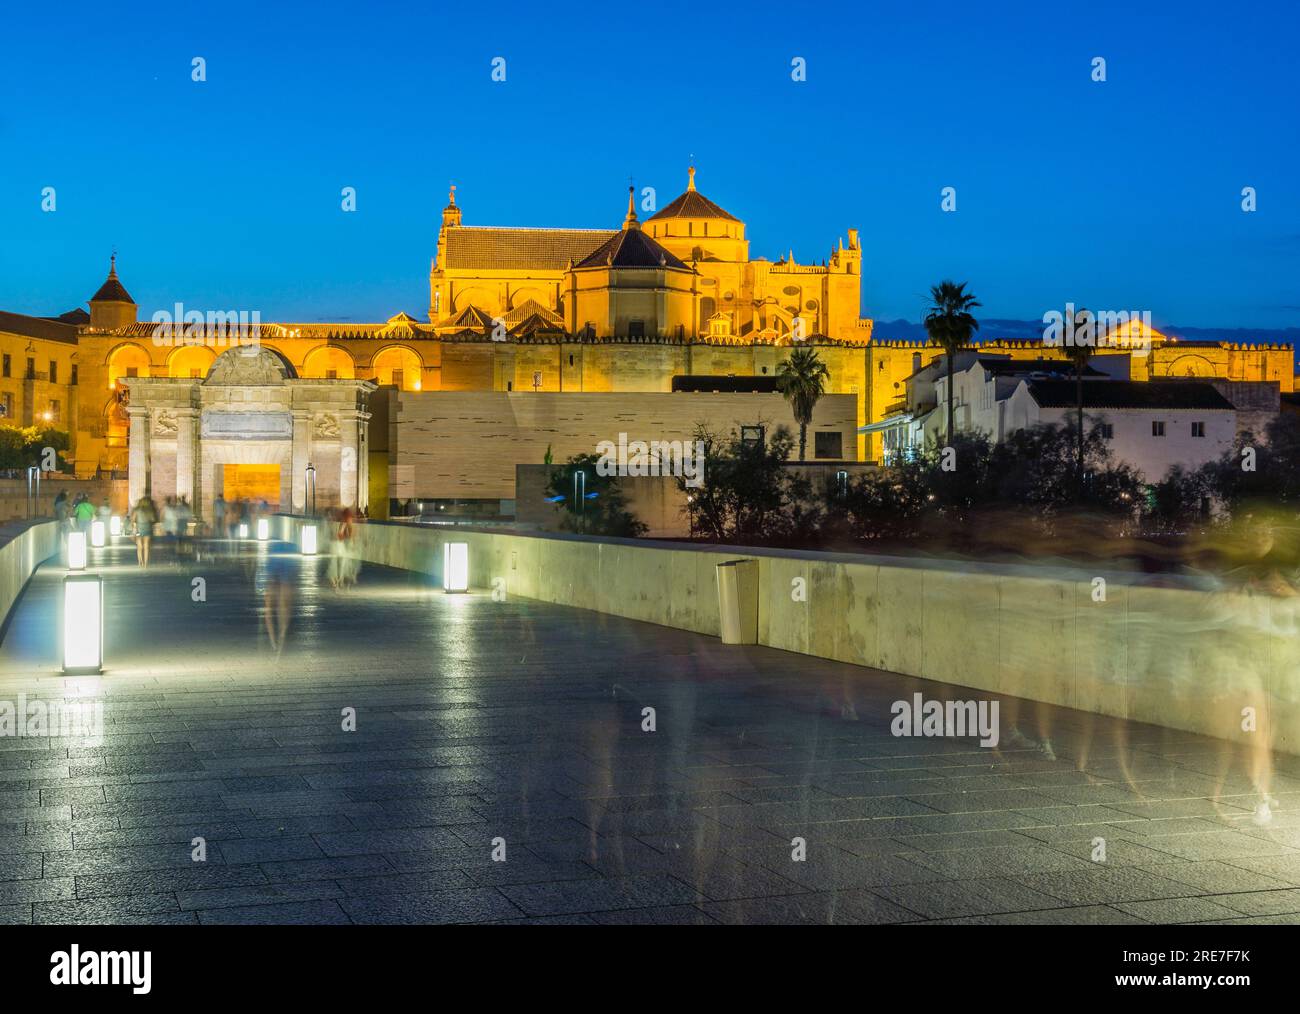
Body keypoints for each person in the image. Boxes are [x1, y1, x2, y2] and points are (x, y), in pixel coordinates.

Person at [131, 495, 157, 567]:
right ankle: (145, 563)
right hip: (147, 529)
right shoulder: (149, 510)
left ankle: (140, 562)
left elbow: (133, 520)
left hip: (139, 529)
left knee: (139, 547)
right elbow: (153, 519)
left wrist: (133, 529)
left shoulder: (137, 510)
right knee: (146, 546)